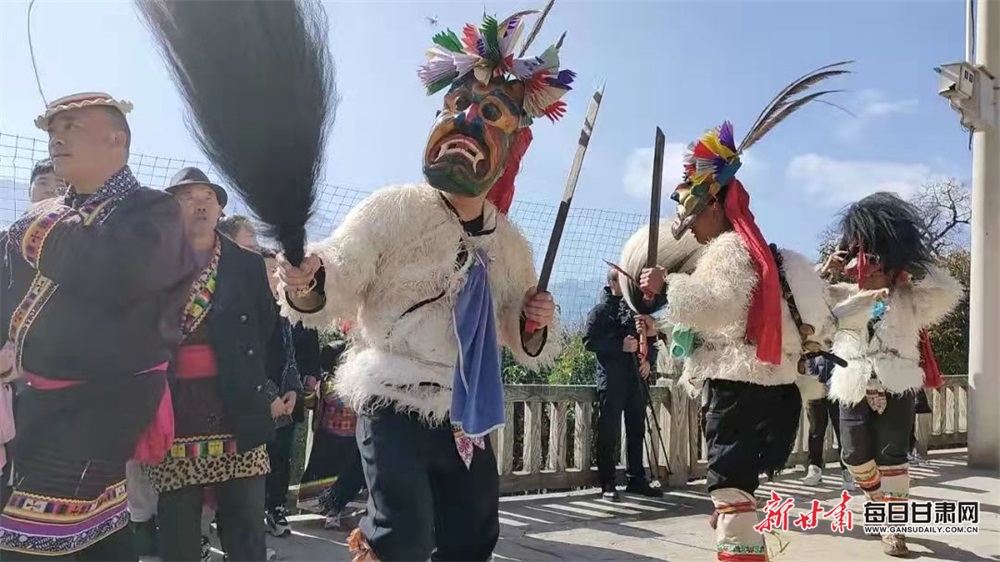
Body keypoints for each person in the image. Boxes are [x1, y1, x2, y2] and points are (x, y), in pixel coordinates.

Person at [274, 11, 570, 561]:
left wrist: (534, 321)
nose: (467, 121)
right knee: (402, 536)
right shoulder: (395, 208)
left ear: (512, 148)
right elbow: (340, 266)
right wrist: (311, 279)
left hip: (466, 410)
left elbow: (518, 330)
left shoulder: (510, 245)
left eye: (490, 113)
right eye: (456, 105)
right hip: (393, 397)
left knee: (473, 537)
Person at [637, 97, 854, 557]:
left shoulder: (729, 249)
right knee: (738, 496)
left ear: (715, 205)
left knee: (730, 491)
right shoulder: (777, 258)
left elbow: (714, 307)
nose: (691, 228)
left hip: (737, 392)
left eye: (695, 214)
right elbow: (816, 320)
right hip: (779, 392)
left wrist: (666, 284)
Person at [0, 92, 197, 559]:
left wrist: (36, 227)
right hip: (34, 401)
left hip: (103, 400)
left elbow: (116, 272)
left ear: (117, 140)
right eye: (53, 131)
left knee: (34, 534)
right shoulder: (46, 216)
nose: (57, 139)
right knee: (95, 530)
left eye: (72, 127)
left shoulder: (154, 211)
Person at [141, 166, 285, 562]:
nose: (200, 205)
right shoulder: (152, 261)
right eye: (188, 198)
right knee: (178, 526)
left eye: (208, 197)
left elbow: (267, 327)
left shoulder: (246, 263)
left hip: (237, 402)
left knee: (245, 523)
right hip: (175, 407)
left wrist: (268, 386)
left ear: (221, 209)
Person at [820, 192, 962, 557]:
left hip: (897, 383)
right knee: (854, 456)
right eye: (861, 263)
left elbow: (947, 291)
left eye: (876, 263)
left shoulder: (910, 296)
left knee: (893, 457)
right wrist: (825, 269)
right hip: (852, 383)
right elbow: (805, 307)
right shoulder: (840, 295)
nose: (867, 271)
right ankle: (880, 504)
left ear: (889, 264)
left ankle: (893, 527)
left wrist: (918, 258)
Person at [584, 268, 662, 502]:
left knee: (637, 430)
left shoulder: (636, 310)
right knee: (609, 432)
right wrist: (620, 346)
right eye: (622, 280)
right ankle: (607, 483)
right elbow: (589, 342)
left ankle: (636, 479)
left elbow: (651, 340)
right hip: (611, 380)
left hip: (636, 379)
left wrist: (648, 362)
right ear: (613, 283)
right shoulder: (600, 311)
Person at [298, 341, 368, 530]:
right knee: (331, 477)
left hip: (348, 440)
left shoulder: (350, 384)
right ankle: (332, 513)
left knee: (346, 477)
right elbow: (336, 400)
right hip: (331, 441)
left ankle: (342, 512)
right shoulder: (330, 384)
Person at [802, 356, 854, 490]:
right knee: (815, 430)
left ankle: (847, 470)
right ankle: (814, 468)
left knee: (842, 431)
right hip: (814, 384)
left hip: (839, 387)